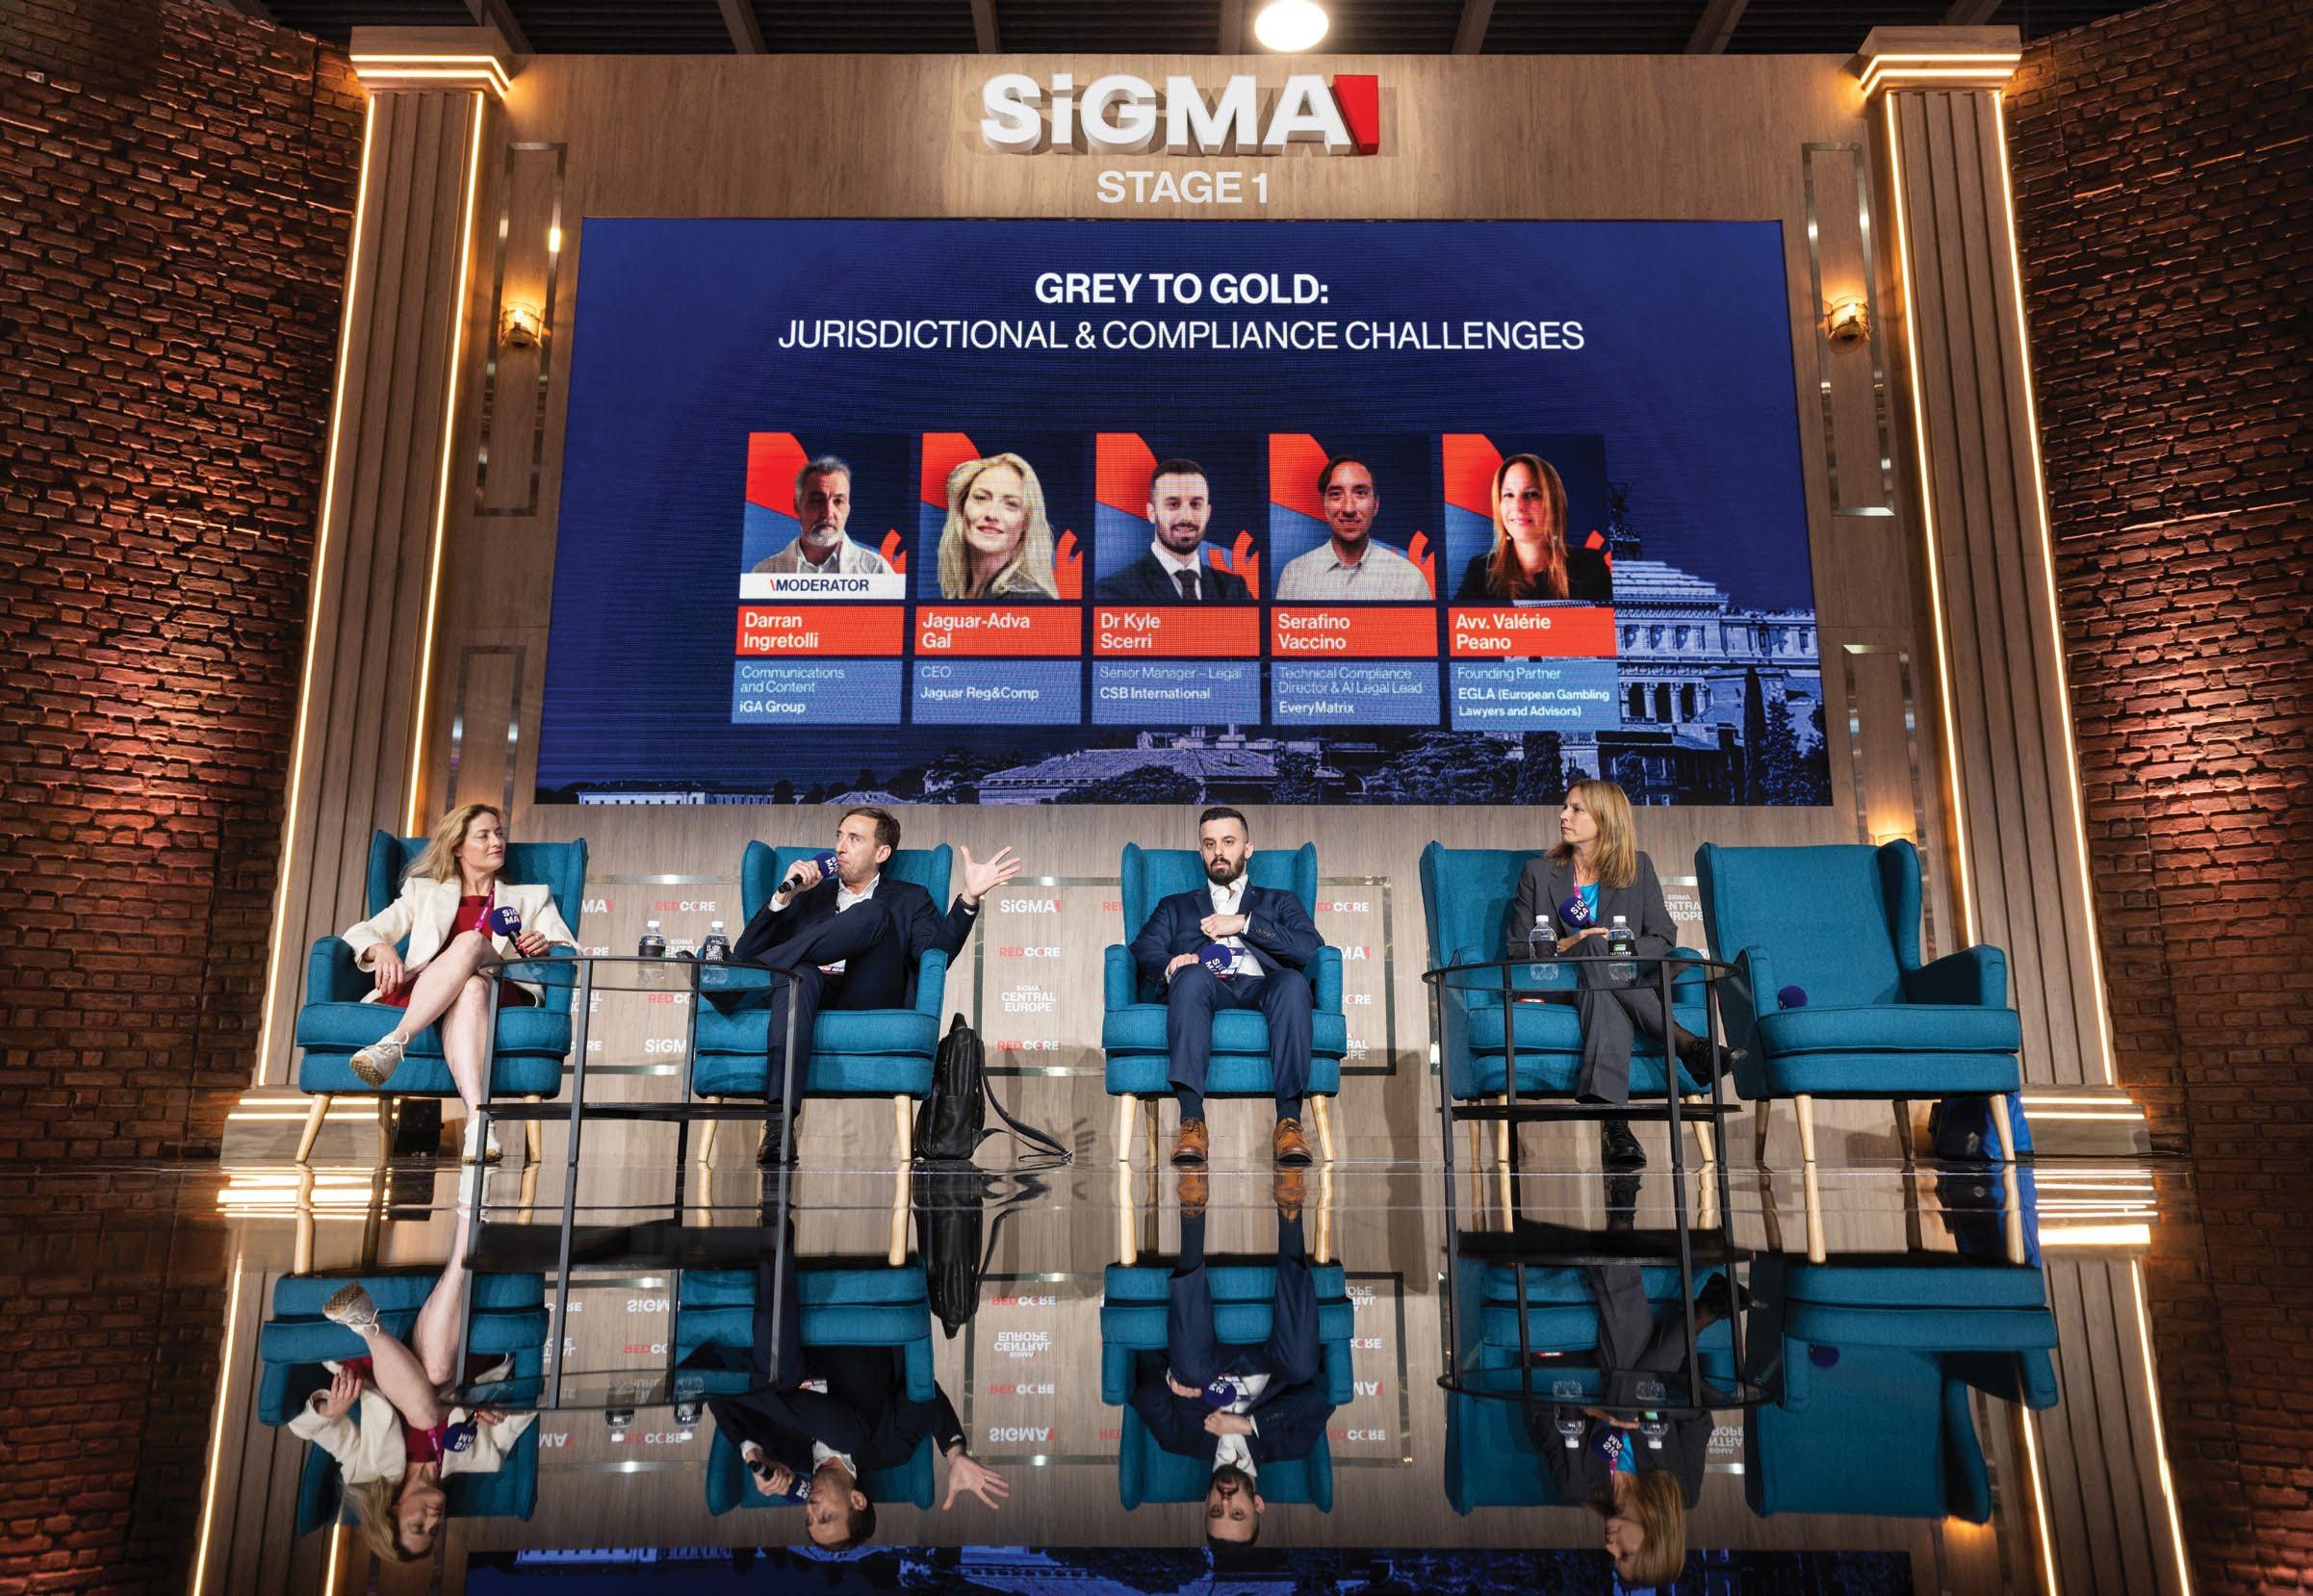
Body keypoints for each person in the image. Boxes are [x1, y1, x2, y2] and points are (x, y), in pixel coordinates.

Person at [723, 807, 1021, 1162]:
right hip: (810, 990)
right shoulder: (810, 893)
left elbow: (934, 956)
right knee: (799, 974)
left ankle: (738, 981)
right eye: (839, 837)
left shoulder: (910, 898)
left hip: (870, 991)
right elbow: (747, 950)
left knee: (871, 913)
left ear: (882, 852)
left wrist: (969, 899)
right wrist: (784, 895)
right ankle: (779, 1124)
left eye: (854, 839)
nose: (840, 847)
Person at [705, 1220, 1008, 1550]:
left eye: (809, 1519)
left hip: (789, 1334)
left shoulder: (782, 1453)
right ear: (858, 1500)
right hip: (863, 1316)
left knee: (777, 1373)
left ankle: (774, 1229)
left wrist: (752, 1452)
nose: (811, 1509)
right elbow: (926, 1400)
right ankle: (774, 1237)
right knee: (805, 1400)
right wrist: (955, 1454)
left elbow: (719, 1395)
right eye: (826, 1517)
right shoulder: (891, 1448)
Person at [1526, 1173, 1741, 1588]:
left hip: (1589, 1370)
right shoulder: (1683, 1490)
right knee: (1632, 1372)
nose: (1610, 1547)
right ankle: (1621, 1219)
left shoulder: (1576, 1485)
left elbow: (1537, 1405)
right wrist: (1650, 1401)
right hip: (1665, 1378)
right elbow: (1698, 1422)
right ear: (1656, 1539)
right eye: (1625, 1553)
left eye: (1613, 1559)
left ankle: (1702, 1313)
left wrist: (1598, 1411)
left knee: (1624, 1382)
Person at [1504, 779, 1732, 1169]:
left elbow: (1663, 937)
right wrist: (1572, 943)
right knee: (1592, 948)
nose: (1563, 815)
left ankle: (1616, 1122)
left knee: (1602, 974)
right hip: (1560, 981)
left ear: (1605, 819)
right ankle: (1687, 1045)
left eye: (1576, 809)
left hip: (1625, 977)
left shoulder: (1637, 867)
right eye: (1565, 806)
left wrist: (1615, 948)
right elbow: (1516, 947)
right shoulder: (1539, 872)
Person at [289, 1209, 533, 1564]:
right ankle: (367, 1324)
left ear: (392, 1511)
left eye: (417, 1526)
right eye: (433, 1531)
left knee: (432, 1381)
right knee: (435, 1377)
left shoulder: (365, 1467)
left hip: (382, 1366)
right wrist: (491, 1403)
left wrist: (331, 1409)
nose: (433, 1521)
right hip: (462, 1360)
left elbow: (303, 1426)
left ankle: (470, 1215)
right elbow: (529, 1406)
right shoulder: (483, 1459)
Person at [342, 803, 576, 1163]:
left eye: (499, 833)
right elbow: (360, 931)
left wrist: (544, 945)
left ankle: (394, 1043)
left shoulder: (531, 896)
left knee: (470, 942)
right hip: (438, 991)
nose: (497, 842)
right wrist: (381, 948)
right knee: (470, 987)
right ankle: (479, 1123)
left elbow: (569, 948)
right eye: (483, 835)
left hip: (503, 988)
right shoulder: (423, 891)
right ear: (456, 847)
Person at [1128, 1169, 1334, 1550]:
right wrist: (1250, 1425)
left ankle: (1192, 1208)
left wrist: (1173, 1382)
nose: (1225, 1501)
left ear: (1205, 1504)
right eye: (1236, 1512)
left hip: (1203, 1354)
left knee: (1190, 1370)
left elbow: (1142, 1393)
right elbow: (1320, 1397)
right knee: (1301, 1366)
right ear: (1258, 1505)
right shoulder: (1291, 1446)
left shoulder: (1179, 1440)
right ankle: (1290, 1210)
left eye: (1215, 1511)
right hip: (1274, 1356)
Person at [1130, 807, 1324, 1168]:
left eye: (1228, 842)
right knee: (1189, 976)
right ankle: (1192, 1123)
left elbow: (1309, 948)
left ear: (1247, 848)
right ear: (1202, 851)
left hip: (1265, 986)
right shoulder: (1174, 906)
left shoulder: (1280, 900)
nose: (1218, 851)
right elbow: (1143, 948)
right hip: (1206, 987)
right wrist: (1171, 964)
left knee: (1293, 982)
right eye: (1209, 844)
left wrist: (1244, 923)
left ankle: (1289, 1123)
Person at [1454, 453, 1613, 603]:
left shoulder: (1589, 567)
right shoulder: (1480, 571)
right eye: (1508, 495)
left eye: (1531, 494)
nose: (1518, 506)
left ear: (1553, 503)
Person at [1092, 457, 1254, 603]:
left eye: (1196, 504)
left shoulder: (1235, 591)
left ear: (1207, 513)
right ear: (1152, 513)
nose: (1186, 516)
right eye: (1173, 504)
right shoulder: (1115, 591)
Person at [1273, 455, 1432, 601]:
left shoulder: (1409, 578)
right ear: (1324, 505)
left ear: (1375, 505)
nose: (1348, 509)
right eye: (1336, 494)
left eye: (1360, 493)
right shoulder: (1295, 574)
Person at [935, 452, 1061, 601]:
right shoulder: (957, 593)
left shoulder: (1031, 600)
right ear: (961, 508)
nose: (992, 514)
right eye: (981, 498)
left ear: (1026, 523)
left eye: (1011, 504)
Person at [753, 455, 896, 577]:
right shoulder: (764, 573)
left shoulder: (877, 571)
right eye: (817, 500)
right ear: (797, 506)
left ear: (848, 510)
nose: (828, 513)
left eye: (838, 501)